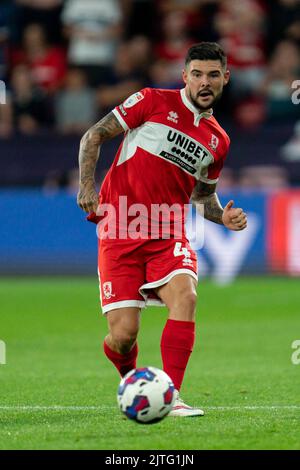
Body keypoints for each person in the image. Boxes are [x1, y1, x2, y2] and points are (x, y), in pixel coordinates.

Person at [77, 42, 247, 417]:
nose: (205, 82)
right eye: (198, 74)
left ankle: (170, 397)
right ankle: (132, 379)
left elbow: (204, 199)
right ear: (185, 75)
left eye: (213, 75)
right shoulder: (151, 101)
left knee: (185, 296)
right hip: (120, 225)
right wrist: (87, 185)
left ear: (225, 79)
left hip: (169, 231)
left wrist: (225, 217)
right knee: (123, 336)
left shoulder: (219, 140)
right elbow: (93, 135)